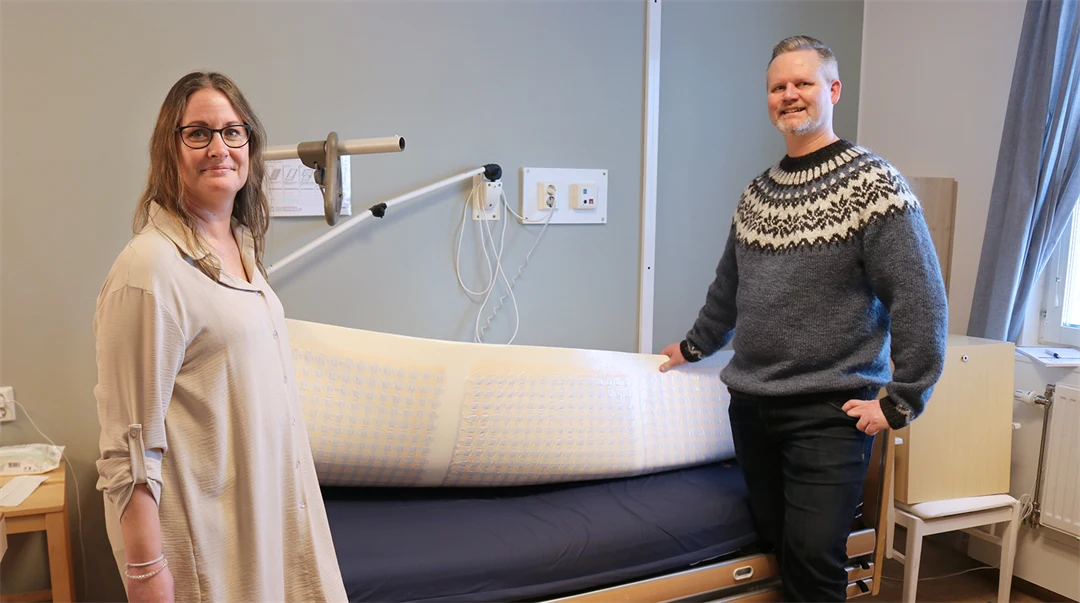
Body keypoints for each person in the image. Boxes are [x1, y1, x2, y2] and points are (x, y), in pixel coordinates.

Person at [658, 36, 948, 602]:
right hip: (751, 407)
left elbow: (921, 296)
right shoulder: (757, 195)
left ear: (833, 90)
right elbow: (730, 287)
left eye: (803, 83)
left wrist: (902, 398)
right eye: (778, 87)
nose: (789, 95)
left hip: (828, 412)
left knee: (815, 563)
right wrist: (694, 346)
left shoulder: (874, 186)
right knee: (779, 544)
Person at [93, 71, 348, 603]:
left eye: (234, 132)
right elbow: (129, 450)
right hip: (212, 544)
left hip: (272, 514)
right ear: (170, 146)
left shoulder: (241, 247)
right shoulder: (149, 270)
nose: (219, 147)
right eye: (198, 133)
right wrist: (146, 576)